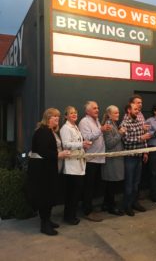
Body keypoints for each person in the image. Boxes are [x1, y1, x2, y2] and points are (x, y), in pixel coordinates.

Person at [28, 108, 70, 236]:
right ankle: (44, 225)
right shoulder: (43, 132)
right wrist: (59, 154)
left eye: (58, 116)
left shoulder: (50, 131)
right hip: (42, 172)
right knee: (45, 197)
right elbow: (43, 151)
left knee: (49, 196)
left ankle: (47, 220)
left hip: (48, 170)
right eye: (54, 117)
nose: (57, 119)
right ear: (47, 118)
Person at [78, 101, 111, 222]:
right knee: (88, 186)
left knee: (93, 186)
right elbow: (86, 138)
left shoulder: (96, 121)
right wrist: (101, 130)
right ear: (87, 111)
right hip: (90, 159)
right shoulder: (84, 122)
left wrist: (101, 129)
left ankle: (89, 208)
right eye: (94, 108)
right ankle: (87, 211)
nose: (97, 110)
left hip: (98, 158)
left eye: (98, 108)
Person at [60, 106, 92, 225]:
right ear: (66, 116)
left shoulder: (75, 126)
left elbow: (77, 143)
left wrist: (84, 144)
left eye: (75, 112)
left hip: (79, 163)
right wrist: (81, 144)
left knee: (76, 192)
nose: (74, 114)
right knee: (72, 193)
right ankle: (69, 217)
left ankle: (71, 215)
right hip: (71, 166)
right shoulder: (65, 128)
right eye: (71, 113)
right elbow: (66, 144)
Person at [120, 103, 150, 216]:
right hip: (130, 158)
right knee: (129, 183)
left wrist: (145, 151)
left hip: (139, 156)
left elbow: (144, 137)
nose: (138, 111)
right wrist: (140, 138)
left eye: (138, 109)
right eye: (135, 109)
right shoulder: (124, 123)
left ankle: (134, 203)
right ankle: (127, 205)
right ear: (129, 110)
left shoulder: (139, 121)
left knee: (136, 183)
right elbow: (126, 140)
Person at [101, 105, 126, 216]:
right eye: (115, 113)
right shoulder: (108, 126)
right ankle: (111, 207)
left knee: (111, 184)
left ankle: (106, 204)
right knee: (111, 184)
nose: (118, 114)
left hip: (116, 159)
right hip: (112, 160)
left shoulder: (113, 124)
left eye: (118, 112)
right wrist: (120, 133)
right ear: (109, 114)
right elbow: (109, 144)